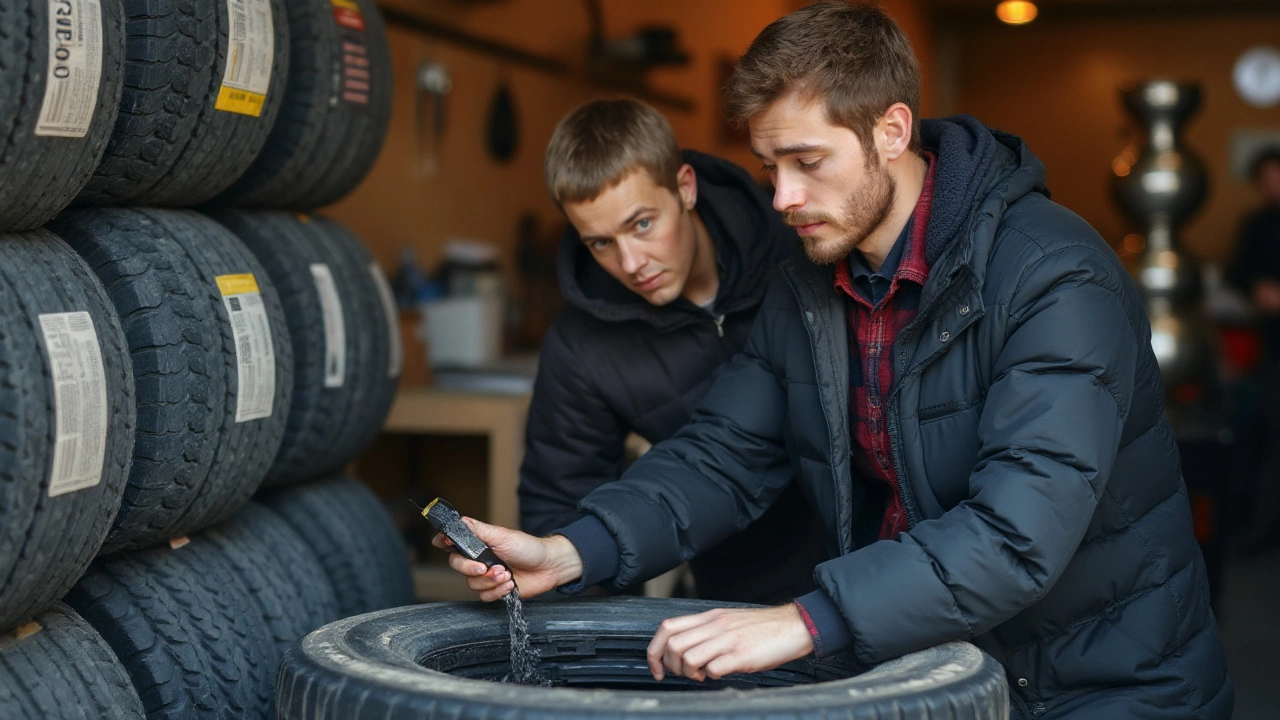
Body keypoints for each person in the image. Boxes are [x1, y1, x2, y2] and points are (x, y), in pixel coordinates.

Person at [438, 3, 1232, 717]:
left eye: (806, 162)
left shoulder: (1053, 275)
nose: (781, 198)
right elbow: (724, 455)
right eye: (767, 169)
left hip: (1102, 685)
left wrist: (808, 619)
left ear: (891, 130)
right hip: (934, 668)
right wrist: (573, 549)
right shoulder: (811, 281)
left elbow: (1018, 532)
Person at [517, 97, 827, 604]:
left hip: (872, 560)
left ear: (684, 187)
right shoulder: (580, 345)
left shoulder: (801, 244)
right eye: (600, 243)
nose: (631, 262)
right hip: (733, 592)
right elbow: (560, 506)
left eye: (642, 224)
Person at [1227, 146, 1280, 553]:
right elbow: (1237, 270)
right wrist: (1256, 287)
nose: (1267, 185)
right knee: (1265, 437)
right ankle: (1259, 533)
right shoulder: (1257, 223)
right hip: (1273, 346)